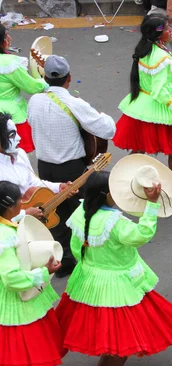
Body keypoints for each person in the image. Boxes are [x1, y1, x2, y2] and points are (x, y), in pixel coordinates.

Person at [55, 171, 172, 366]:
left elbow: (77, 248)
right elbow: (142, 234)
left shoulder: (80, 211)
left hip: (88, 279)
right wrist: (152, 205)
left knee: (109, 333)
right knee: (125, 339)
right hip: (119, 286)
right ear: (106, 195)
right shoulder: (115, 223)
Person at [27, 55, 115, 278]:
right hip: (72, 170)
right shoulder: (74, 104)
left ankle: (64, 261)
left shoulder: (34, 101)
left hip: (45, 168)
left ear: (45, 77)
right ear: (69, 79)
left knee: (53, 216)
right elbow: (108, 129)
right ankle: (87, 258)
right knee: (81, 214)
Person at [113, 14, 172, 199]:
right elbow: (160, 91)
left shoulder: (147, 49)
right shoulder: (162, 57)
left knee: (138, 149)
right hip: (161, 109)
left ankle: (122, 180)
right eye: (168, 29)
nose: (171, 31)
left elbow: (163, 81)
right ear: (160, 35)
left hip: (142, 107)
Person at [0, 181, 64, 366]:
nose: (22, 204)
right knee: (23, 352)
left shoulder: (8, 223)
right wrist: (43, 273)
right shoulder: (4, 238)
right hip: (16, 300)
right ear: (10, 205)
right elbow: (11, 279)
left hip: (21, 297)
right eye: (19, 200)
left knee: (24, 353)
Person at [0, 114, 71, 223]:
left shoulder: (21, 154)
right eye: (12, 135)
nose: (19, 138)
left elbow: (32, 182)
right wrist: (25, 214)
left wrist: (58, 187)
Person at [0, 25, 48, 153]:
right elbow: (32, 87)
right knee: (17, 156)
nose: (9, 38)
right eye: (5, 36)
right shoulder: (9, 64)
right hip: (10, 118)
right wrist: (45, 83)